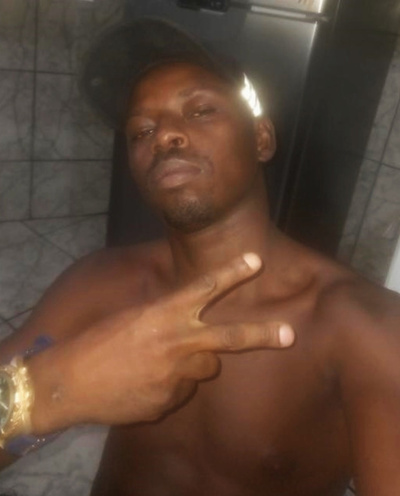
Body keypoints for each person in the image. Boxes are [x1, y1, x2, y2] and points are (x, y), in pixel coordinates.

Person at [2, 16, 400, 496]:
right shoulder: (98, 283)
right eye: (141, 130)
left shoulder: (366, 328)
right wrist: (49, 393)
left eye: (200, 111)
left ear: (261, 138)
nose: (164, 136)